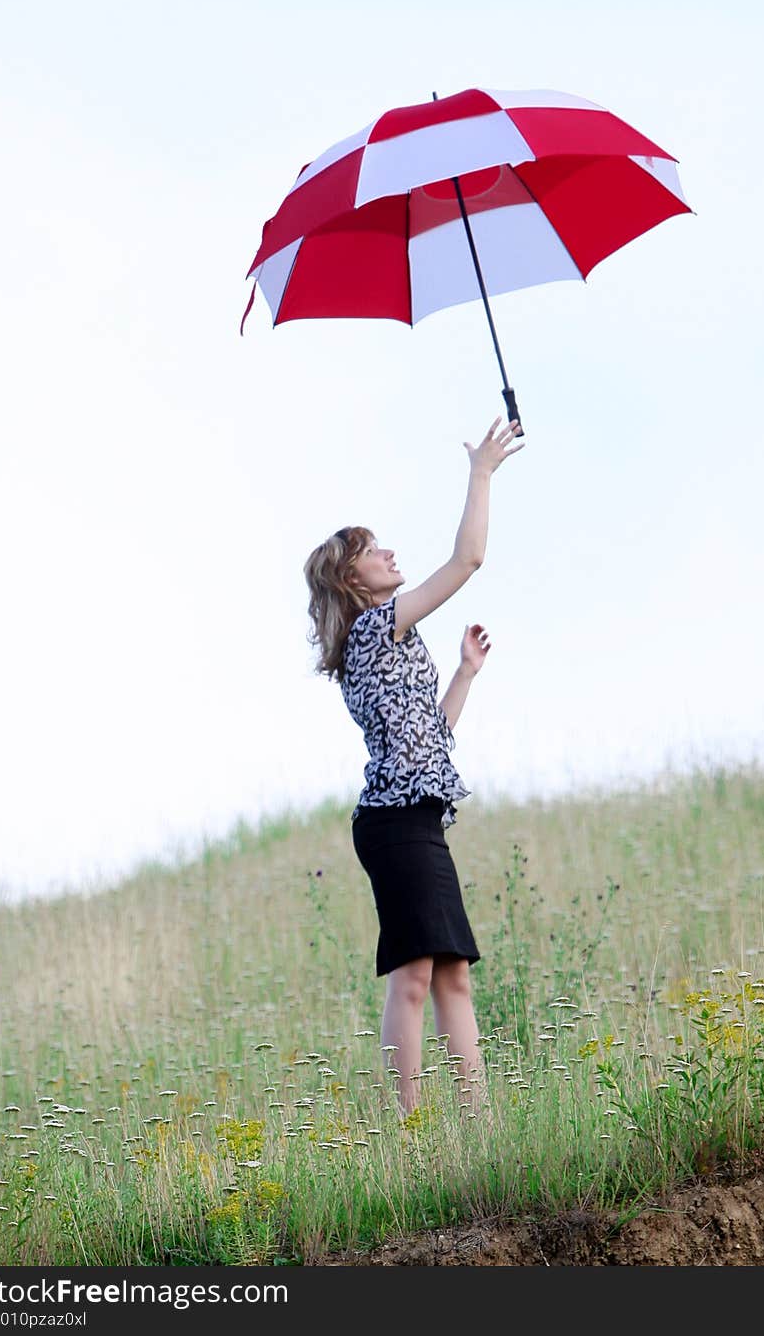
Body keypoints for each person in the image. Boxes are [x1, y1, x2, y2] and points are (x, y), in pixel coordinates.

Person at [303, 416, 524, 1116]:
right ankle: (407, 1128)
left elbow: (431, 738)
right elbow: (467, 562)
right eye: (373, 551)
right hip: (396, 824)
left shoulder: (393, 639)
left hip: (414, 819)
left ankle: (478, 1123)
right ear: (351, 577)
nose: (389, 553)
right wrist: (482, 472)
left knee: (451, 973)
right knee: (414, 976)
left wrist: (463, 674)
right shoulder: (376, 627)